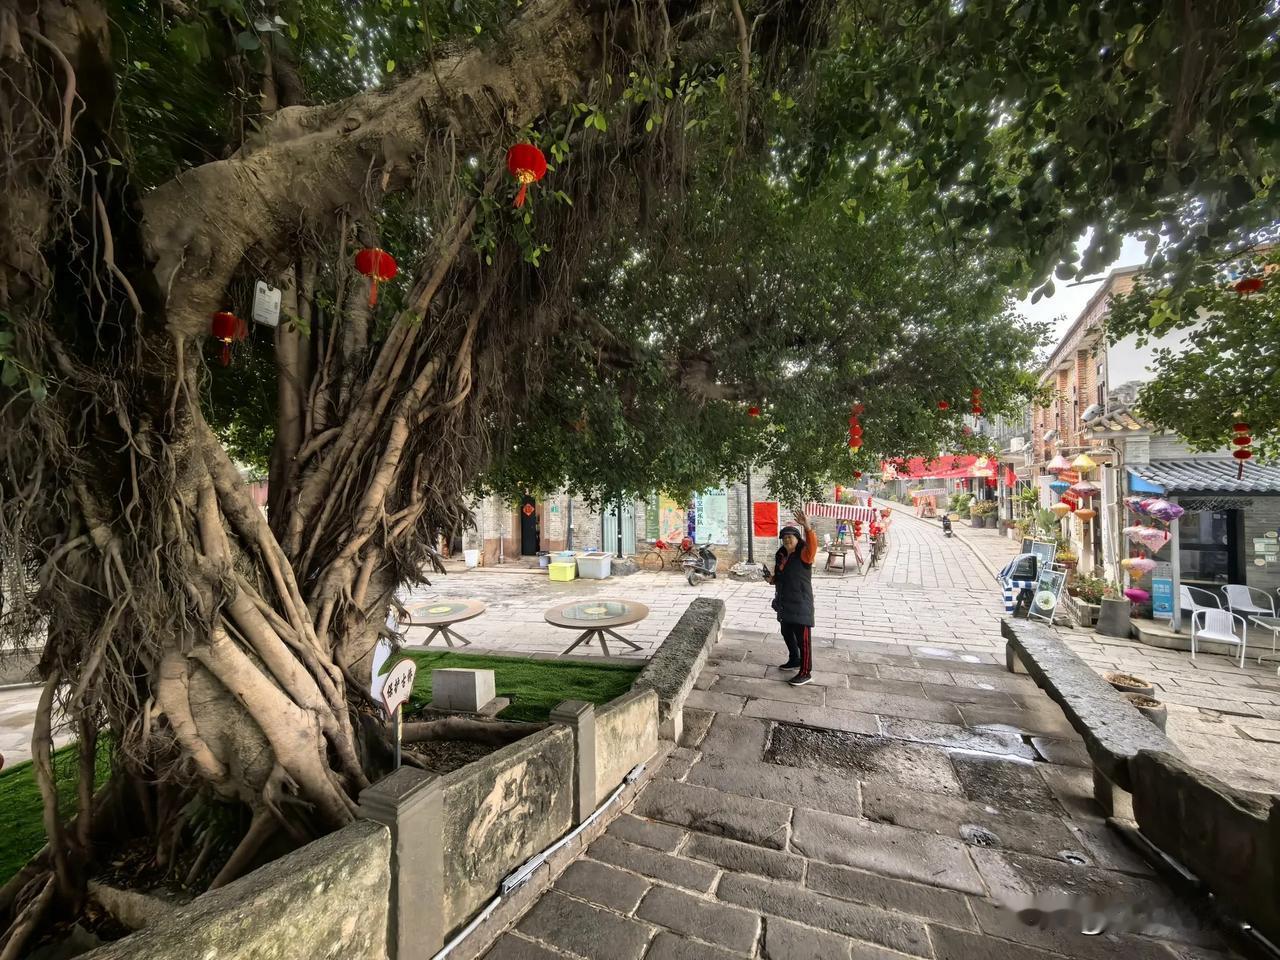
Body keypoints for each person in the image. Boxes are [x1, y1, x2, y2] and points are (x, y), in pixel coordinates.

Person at [765, 508, 818, 686]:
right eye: (785, 537)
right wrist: (771, 579)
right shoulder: (781, 556)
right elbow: (778, 578)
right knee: (786, 631)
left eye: (791, 537)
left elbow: (812, 546)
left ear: (797, 539)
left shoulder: (804, 554)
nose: (787, 539)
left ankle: (805, 672)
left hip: (801, 603)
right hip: (784, 603)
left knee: (803, 639)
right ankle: (794, 659)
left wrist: (807, 527)